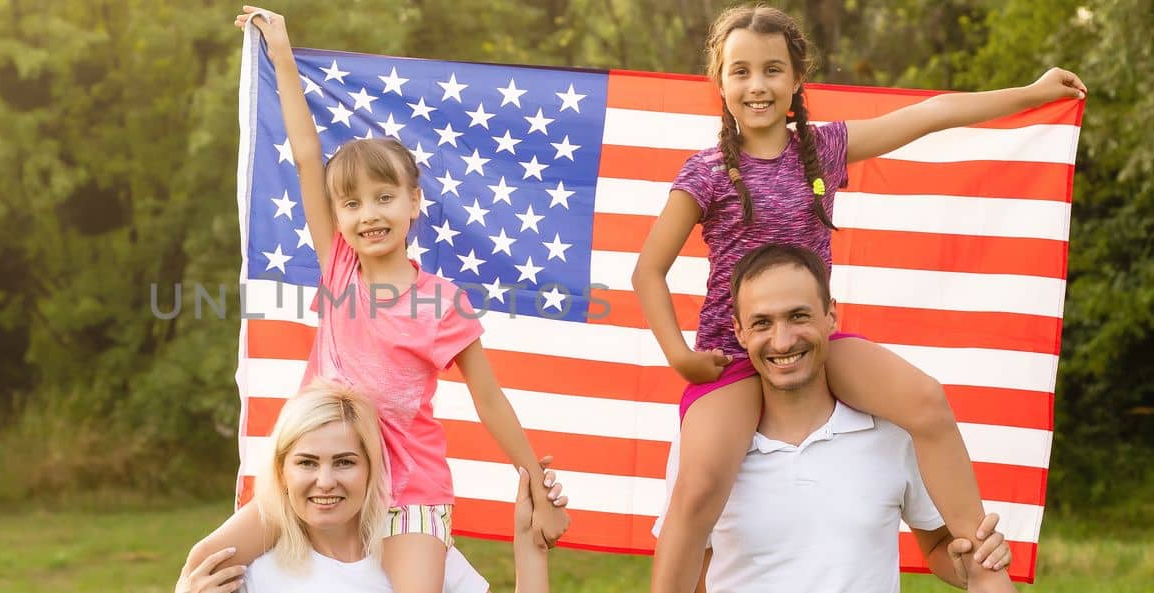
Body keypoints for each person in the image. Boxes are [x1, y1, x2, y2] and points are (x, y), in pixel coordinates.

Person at [630, 5, 1085, 592]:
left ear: (797, 80)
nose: (758, 85)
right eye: (740, 71)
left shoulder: (823, 151)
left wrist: (1030, 92)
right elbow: (648, 270)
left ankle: (983, 566)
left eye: (773, 70)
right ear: (719, 82)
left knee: (926, 401)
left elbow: (931, 114)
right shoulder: (710, 171)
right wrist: (681, 357)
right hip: (736, 352)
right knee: (697, 491)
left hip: (811, 337)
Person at [181, 7, 571, 593]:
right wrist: (282, 54)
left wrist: (536, 481)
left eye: (384, 197)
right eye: (353, 204)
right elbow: (307, 154)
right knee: (204, 561)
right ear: (338, 217)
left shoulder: (442, 302)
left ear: (414, 202)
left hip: (409, 485)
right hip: (324, 465)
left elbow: (491, 402)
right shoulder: (339, 268)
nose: (369, 215)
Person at [654, 244, 1013, 593]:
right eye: (762, 323)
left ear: (831, 316)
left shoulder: (893, 430)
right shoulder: (706, 445)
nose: (781, 341)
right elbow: (694, 568)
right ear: (739, 332)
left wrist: (971, 565)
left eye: (799, 316)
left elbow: (937, 545)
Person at [179, 381, 565, 593]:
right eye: (306, 463)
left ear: (371, 469)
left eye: (345, 462)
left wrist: (530, 547)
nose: (325, 481)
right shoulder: (254, 571)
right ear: (282, 471)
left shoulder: (420, 554)